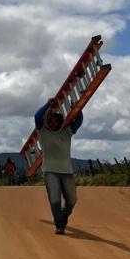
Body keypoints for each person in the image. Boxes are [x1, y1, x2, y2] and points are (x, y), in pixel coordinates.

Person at [34, 98, 84, 235]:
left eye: (58, 121)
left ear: (62, 122)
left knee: (72, 200)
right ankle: (59, 225)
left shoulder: (67, 131)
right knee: (55, 199)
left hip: (67, 171)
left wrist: (78, 110)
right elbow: (37, 116)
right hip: (50, 171)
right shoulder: (43, 132)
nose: (55, 123)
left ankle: (64, 214)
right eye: (52, 121)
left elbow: (78, 121)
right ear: (48, 122)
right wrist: (48, 104)